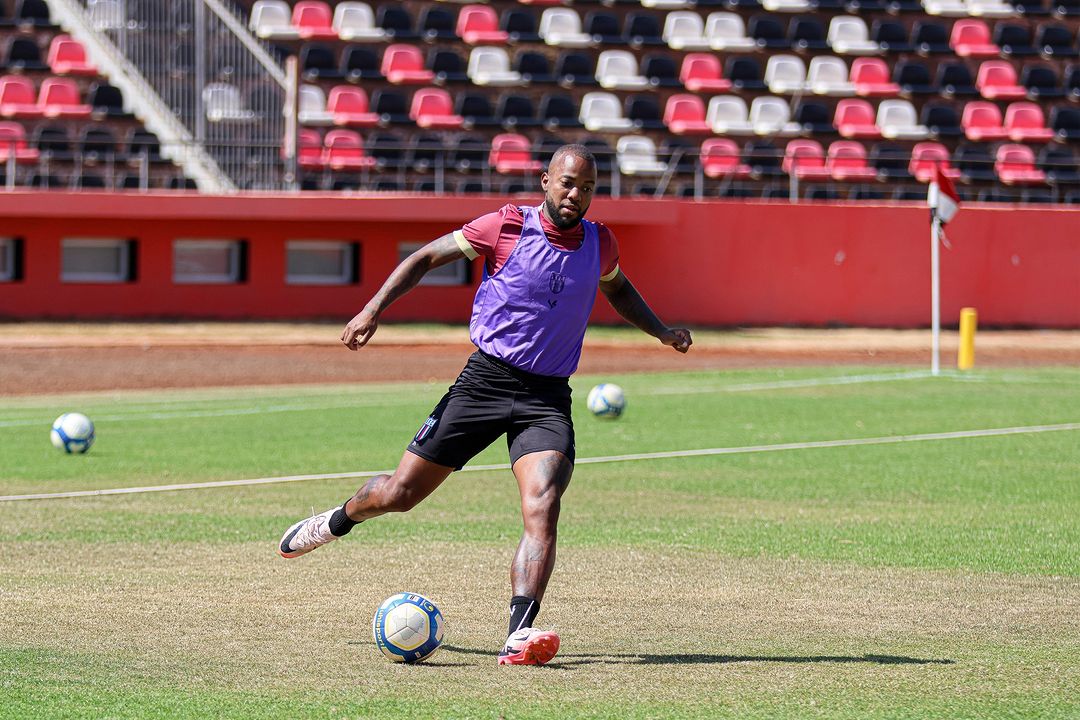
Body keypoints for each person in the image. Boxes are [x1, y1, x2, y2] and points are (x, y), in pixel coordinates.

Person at [278, 144, 692, 666]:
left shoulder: (600, 242)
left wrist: (661, 331)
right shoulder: (505, 227)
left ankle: (519, 634)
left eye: (586, 188)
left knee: (543, 503)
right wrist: (372, 309)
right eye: (567, 183)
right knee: (399, 493)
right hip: (483, 384)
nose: (576, 195)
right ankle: (338, 520)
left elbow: (619, 288)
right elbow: (424, 257)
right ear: (545, 180)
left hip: (546, 397)